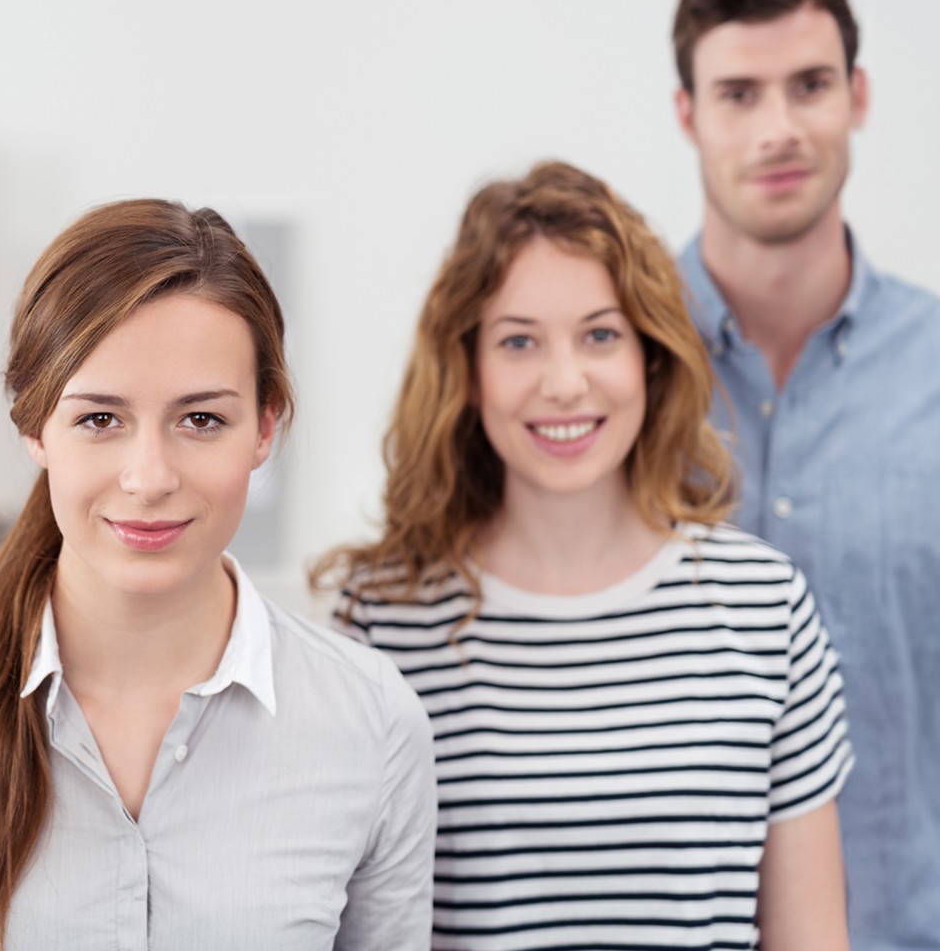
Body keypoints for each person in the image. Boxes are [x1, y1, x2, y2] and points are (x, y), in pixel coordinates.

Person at [0, 198, 436, 951]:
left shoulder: (370, 726)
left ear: (266, 426)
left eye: (201, 420)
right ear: (33, 424)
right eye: (100, 420)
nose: (149, 478)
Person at [316, 161, 853, 950]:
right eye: (519, 341)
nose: (564, 383)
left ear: (650, 357)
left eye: (600, 335)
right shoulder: (382, 621)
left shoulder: (764, 607)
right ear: (468, 371)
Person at [671, 0, 940, 951]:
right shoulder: (601, 377)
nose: (778, 129)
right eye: (739, 93)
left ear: (857, 96)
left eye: (809, 85)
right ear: (687, 115)